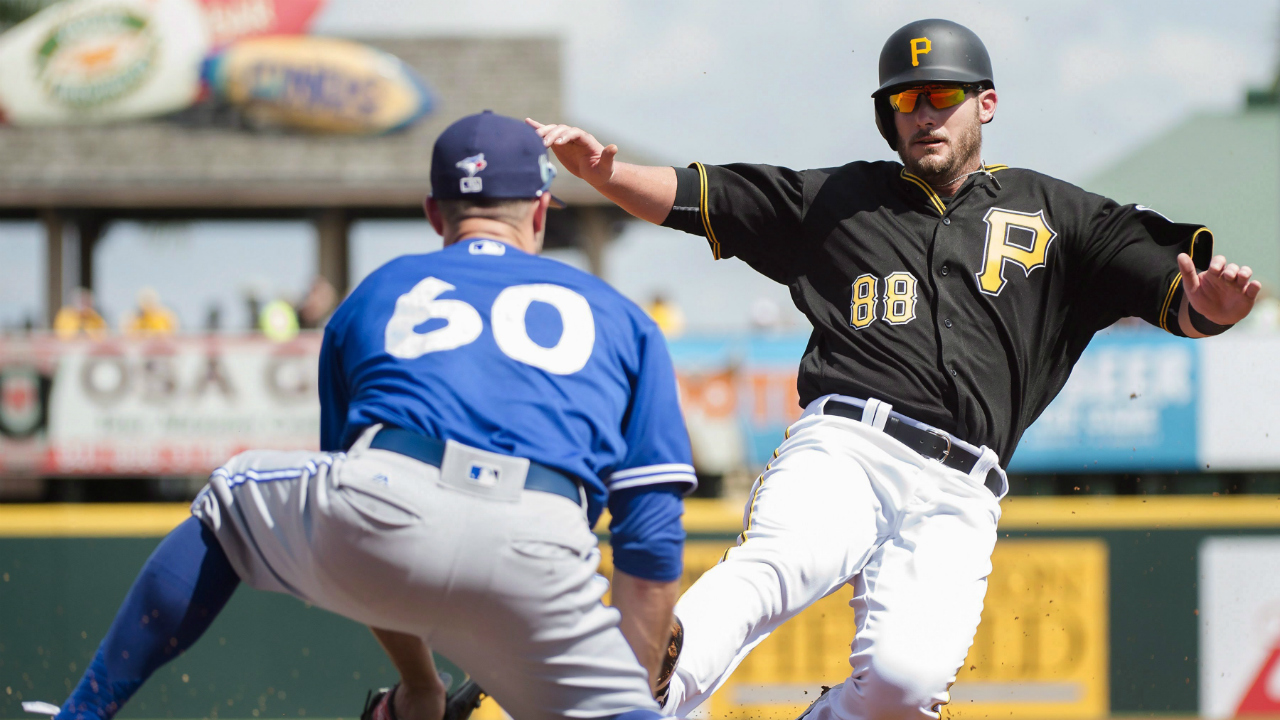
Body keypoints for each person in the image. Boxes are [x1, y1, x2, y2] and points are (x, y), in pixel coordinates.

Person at [528, 18, 1263, 720]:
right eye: (904, 100)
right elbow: (704, 197)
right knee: (783, 562)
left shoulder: (1060, 215)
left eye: (941, 95)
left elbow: (1175, 295)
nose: (922, 113)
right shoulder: (840, 200)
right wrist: (609, 172)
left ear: (986, 103)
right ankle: (647, 684)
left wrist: (1213, 310)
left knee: (903, 690)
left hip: (963, 484)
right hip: (847, 445)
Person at [46, 112, 697, 720]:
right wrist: (625, 685)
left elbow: (357, 486)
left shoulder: (380, 292)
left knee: (229, 503)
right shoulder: (625, 319)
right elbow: (651, 537)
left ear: (434, 214)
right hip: (544, 543)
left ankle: (82, 714)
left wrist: (419, 686)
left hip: (388, 500)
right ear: (541, 211)